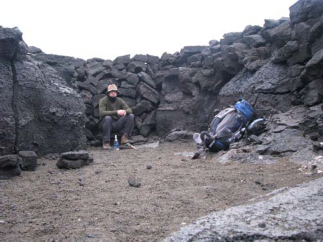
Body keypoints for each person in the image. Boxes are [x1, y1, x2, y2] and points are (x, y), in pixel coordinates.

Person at [99, 84, 135, 149]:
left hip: (117, 123)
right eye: (111, 91)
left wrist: (125, 112)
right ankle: (106, 142)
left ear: (117, 93)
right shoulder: (103, 100)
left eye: (115, 91)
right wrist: (117, 112)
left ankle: (125, 138)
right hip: (107, 124)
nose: (113, 93)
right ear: (108, 93)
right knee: (108, 118)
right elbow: (102, 113)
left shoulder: (120, 100)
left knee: (130, 116)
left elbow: (129, 110)